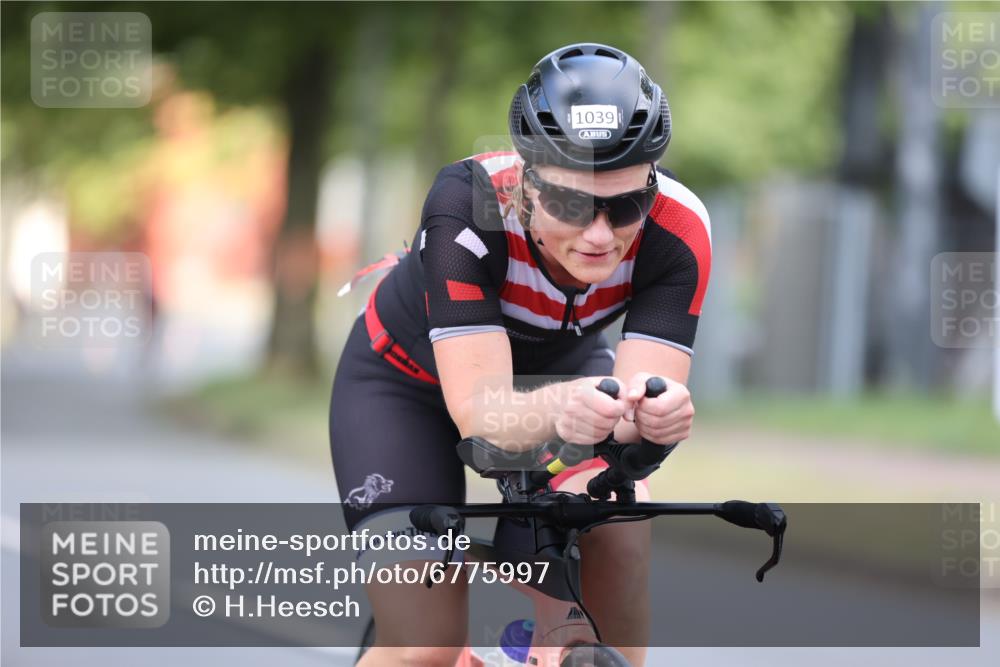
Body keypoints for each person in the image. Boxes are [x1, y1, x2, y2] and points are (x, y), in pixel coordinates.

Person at [329, 42, 711, 666]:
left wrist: (656, 419)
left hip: (566, 377)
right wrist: (570, 409)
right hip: (405, 388)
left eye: (626, 206)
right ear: (527, 184)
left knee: (621, 537)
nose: (599, 234)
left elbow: (635, 413)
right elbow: (481, 416)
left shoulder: (679, 227)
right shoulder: (465, 204)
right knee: (423, 645)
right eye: (570, 204)